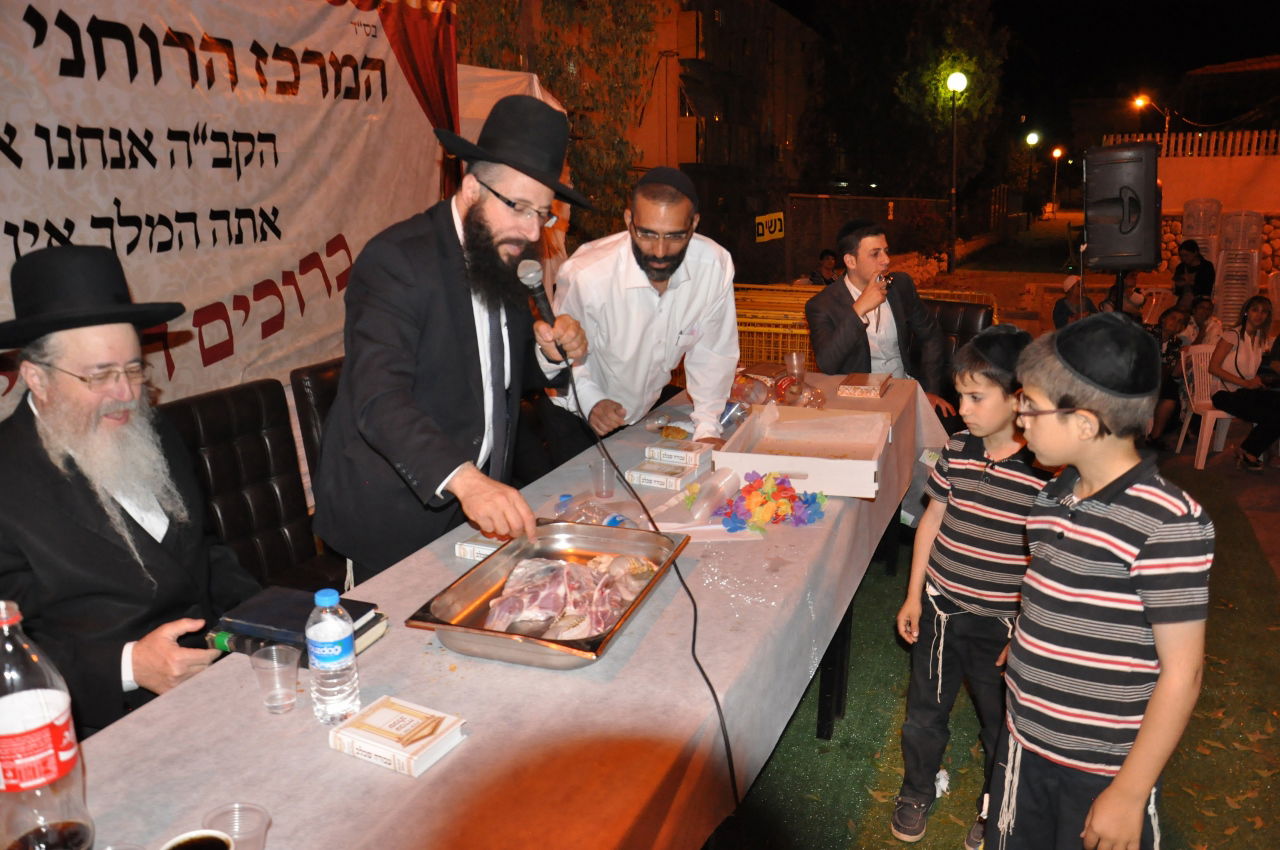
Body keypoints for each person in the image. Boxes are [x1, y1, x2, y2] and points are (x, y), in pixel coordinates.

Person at [312, 95, 589, 579]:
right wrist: (466, 481)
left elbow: (493, 376)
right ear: (471, 187)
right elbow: (377, 399)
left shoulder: (496, 254)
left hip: (473, 515)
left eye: (542, 214)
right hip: (395, 515)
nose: (530, 230)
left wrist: (545, 357)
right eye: (519, 207)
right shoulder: (397, 261)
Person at [0, 245, 260, 735]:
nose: (126, 394)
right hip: (106, 725)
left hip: (220, 686)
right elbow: (9, 649)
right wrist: (127, 666)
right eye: (100, 375)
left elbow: (202, 551)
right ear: (36, 377)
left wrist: (271, 621)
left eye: (135, 369)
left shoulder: (151, 429)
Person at [990, 313, 1215, 849]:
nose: (1020, 420)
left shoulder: (1169, 524)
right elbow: (1053, 586)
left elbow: (1184, 672)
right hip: (1025, 738)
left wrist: (1129, 793)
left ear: (1086, 424)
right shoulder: (1052, 497)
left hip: (1102, 765)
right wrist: (1031, 635)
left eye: (1031, 408)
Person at [892, 325, 1049, 849]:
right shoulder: (957, 449)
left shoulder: (1044, 472)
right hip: (940, 607)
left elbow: (1046, 563)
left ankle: (994, 802)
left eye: (977, 396)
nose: (962, 407)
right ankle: (917, 790)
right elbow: (931, 522)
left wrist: (1025, 629)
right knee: (925, 713)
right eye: (959, 394)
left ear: (1018, 397)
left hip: (1002, 625)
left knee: (1000, 726)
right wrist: (915, 595)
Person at [541, 167, 738, 457]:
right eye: (647, 234)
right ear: (629, 221)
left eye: (674, 236)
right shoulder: (588, 275)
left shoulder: (714, 266)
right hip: (575, 418)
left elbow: (713, 355)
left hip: (641, 417)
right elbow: (562, 355)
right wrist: (592, 400)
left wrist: (707, 428)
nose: (659, 251)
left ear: (694, 224)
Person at [804, 219, 954, 417]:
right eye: (875, 253)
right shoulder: (822, 305)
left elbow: (931, 334)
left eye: (886, 251)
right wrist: (859, 309)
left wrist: (930, 389)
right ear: (851, 261)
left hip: (905, 388)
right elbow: (827, 364)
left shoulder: (900, 285)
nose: (886, 260)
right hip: (856, 402)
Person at [1208, 295, 1278, 471]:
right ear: (1246, 312)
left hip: (1245, 392)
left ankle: (1248, 450)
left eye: (1264, 311)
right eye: (1255, 309)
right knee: (1272, 415)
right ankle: (1249, 451)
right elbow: (1213, 367)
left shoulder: (1261, 338)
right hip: (1224, 393)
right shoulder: (1232, 335)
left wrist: (1257, 381)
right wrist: (1245, 383)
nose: (1259, 315)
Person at [1147, 306, 1189, 446]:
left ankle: (1154, 437)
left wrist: (1184, 358)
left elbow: (1174, 373)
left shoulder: (1176, 343)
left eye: (1180, 322)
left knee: (1171, 390)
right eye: (1173, 318)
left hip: (1160, 379)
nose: (1175, 323)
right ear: (1164, 318)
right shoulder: (1147, 332)